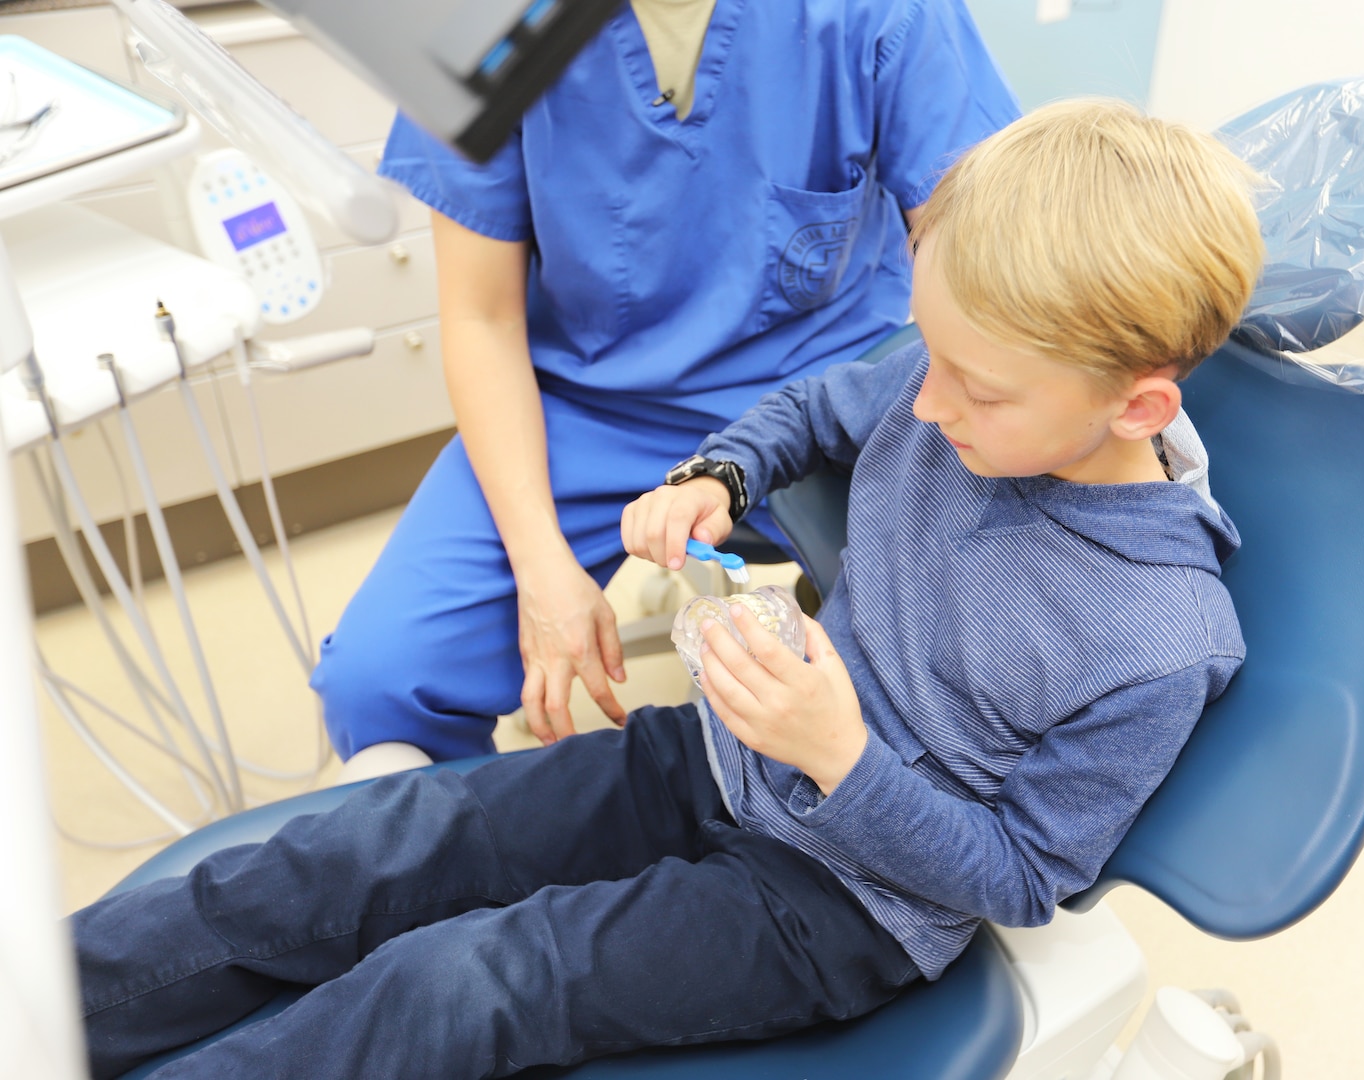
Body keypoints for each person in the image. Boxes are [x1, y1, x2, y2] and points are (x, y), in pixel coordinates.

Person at [72, 100, 1266, 1079]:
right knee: (374, 849)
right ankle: (48, 1011)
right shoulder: (951, 389)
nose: (928, 402)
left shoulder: (1159, 638)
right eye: (931, 354)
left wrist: (844, 758)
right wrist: (720, 475)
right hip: (715, 759)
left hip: (839, 906)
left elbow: (1018, 878)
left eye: (977, 387)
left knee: (465, 980)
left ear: (1140, 407)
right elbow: (817, 404)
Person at [312, 0, 1021, 779]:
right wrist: (544, 569)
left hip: (825, 383)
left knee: (961, 660)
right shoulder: (482, 27)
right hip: (590, 403)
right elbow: (481, 320)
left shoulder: (875, 14)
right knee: (378, 682)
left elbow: (985, 259)